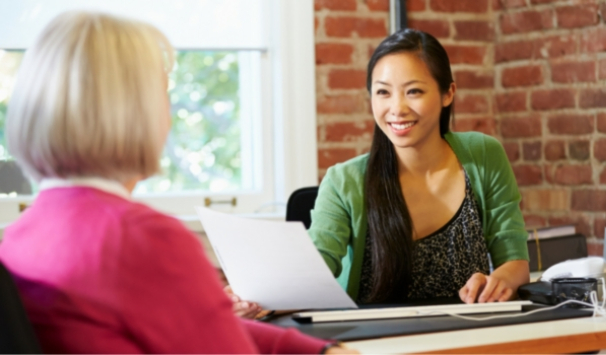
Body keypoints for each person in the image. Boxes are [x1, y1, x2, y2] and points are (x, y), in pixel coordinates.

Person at [0, 11, 355, 354]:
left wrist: (321, 351)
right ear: (137, 110)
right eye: (162, 91)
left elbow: (201, 328)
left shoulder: (18, 239)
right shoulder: (142, 240)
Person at [308, 29, 530, 305]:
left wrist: (498, 281)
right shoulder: (344, 181)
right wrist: (253, 297)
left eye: (413, 91)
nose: (397, 108)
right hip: (375, 343)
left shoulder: (483, 155)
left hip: (469, 334)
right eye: (383, 92)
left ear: (448, 93)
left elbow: (516, 263)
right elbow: (312, 270)